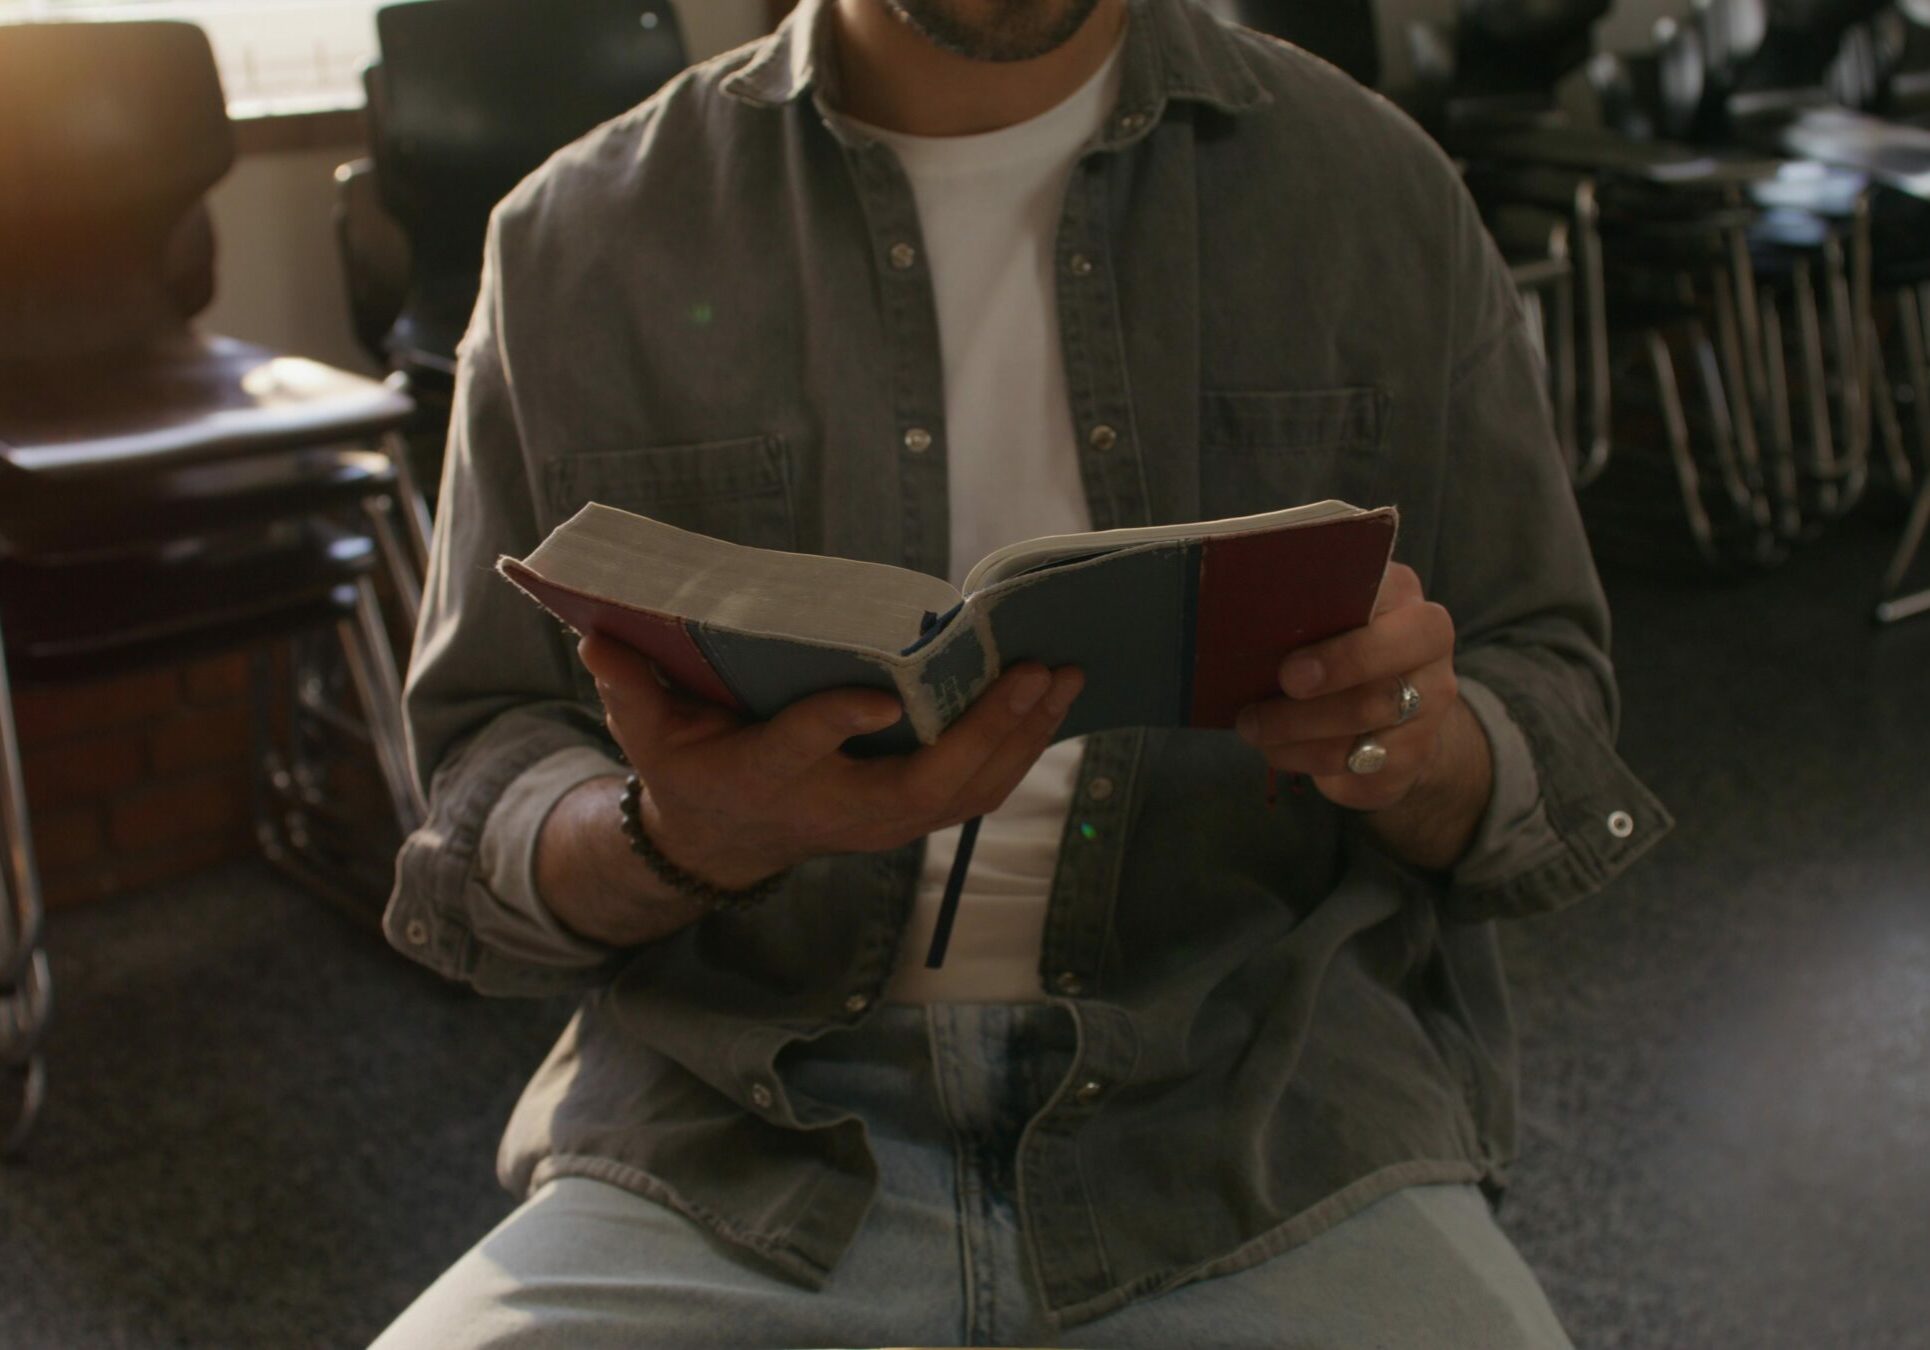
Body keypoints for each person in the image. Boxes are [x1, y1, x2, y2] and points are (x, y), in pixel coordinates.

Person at [375, 0, 1670, 1344]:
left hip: (1264, 1109)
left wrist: (1420, 748)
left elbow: (1551, 700)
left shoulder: (1373, 192)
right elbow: (484, 789)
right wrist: (678, 836)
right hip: (732, 1135)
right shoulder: (577, 237)